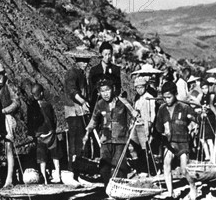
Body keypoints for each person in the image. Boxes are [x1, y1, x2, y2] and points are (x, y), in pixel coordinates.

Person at [83, 77, 137, 187]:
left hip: (120, 140)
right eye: (102, 91)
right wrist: (87, 133)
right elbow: (93, 120)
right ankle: (108, 190)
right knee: (104, 168)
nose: (105, 94)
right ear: (99, 92)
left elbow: (134, 114)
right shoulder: (99, 104)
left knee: (119, 167)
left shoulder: (123, 102)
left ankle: (119, 193)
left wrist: (135, 119)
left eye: (107, 90)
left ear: (113, 89)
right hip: (105, 140)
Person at [153, 81, 197, 200]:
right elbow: (158, 127)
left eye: (169, 97)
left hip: (182, 142)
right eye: (164, 97)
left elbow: (196, 118)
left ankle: (193, 187)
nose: (167, 100)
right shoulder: (162, 109)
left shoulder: (184, 107)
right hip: (169, 142)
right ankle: (170, 192)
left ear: (175, 94)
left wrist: (199, 116)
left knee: (184, 170)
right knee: (166, 166)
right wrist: (162, 131)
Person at [63, 49, 93, 181]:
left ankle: (80, 171)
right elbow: (71, 90)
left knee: (82, 140)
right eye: (82, 61)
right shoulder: (71, 73)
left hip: (81, 111)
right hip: (73, 111)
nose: (85, 64)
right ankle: (72, 172)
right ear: (76, 60)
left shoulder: (81, 73)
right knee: (74, 141)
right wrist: (82, 102)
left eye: (86, 61)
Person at [28, 83, 62, 184]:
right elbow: (54, 119)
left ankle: (45, 179)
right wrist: (53, 129)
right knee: (55, 156)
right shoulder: (48, 105)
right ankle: (58, 176)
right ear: (42, 93)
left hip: (40, 136)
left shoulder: (32, 108)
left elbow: (30, 122)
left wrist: (33, 134)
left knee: (42, 158)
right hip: (51, 134)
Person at [131, 76, 156, 175]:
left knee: (144, 147)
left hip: (145, 125)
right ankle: (138, 167)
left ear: (145, 87)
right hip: (136, 124)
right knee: (133, 145)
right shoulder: (137, 98)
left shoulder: (149, 97)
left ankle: (147, 169)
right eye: (137, 88)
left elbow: (152, 113)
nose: (139, 90)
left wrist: (150, 125)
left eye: (141, 87)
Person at [88, 41, 121, 110]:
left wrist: (114, 96)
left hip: (111, 101)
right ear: (101, 54)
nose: (107, 57)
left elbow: (118, 86)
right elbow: (91, 87)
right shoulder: (94, 70)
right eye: (105, 54)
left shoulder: (115, 69)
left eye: (109, 54)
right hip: (96, 102)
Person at [198, 80, 216, 163]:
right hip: (204, 118)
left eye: (206, 88)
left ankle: (213, 157)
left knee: (209, 139)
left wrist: (208, 109)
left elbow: (212, 106)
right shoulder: (202, 96)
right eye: (203, 88)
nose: (205, 90)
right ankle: (207, 156)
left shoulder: (211, 95)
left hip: (210, 118)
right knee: (202, 139)